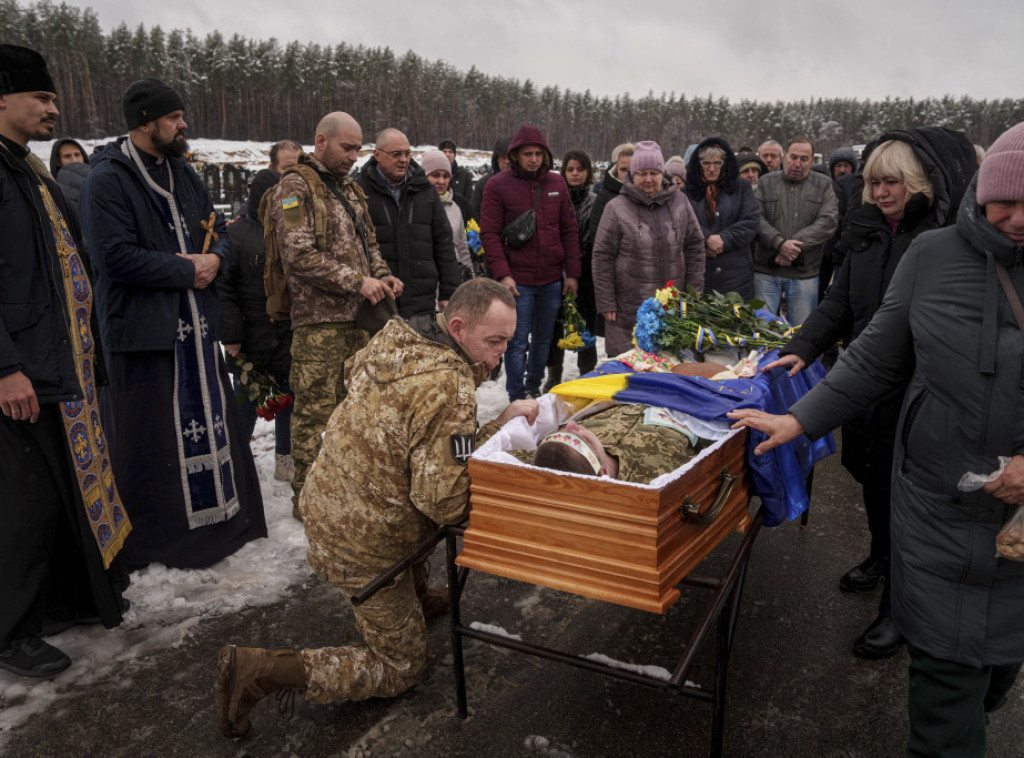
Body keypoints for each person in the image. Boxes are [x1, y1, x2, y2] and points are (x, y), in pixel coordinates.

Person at [729, 120, 1024, 757]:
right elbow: (867, 348)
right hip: (938, 489)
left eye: (894, 182)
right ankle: (901, 603)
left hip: (1014, 518)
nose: (1019, 217)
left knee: (995, 665)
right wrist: (801, 410)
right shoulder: (926, 252)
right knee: (947, 691)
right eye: (1007, 199)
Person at [215, 278, 539, 738]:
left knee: (415, 493)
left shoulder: (401, 337)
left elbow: (420, 449)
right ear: (460, 326)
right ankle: (262, 670)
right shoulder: (447, 383)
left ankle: (415, 591)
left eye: (507, 341)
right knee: (402, 666)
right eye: (494, 341)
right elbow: (444, 501)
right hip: (364, 543)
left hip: (330, 505)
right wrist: (508, 464)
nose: (499, 355)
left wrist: (495, 425)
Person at [763, 128, 977, 660]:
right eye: (874, 182)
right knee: (873, 482)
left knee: (908, 498)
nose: (881, 192)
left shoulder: (941, 240)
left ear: (920, 182)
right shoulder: (863, 230)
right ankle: (881, 556)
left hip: (917, 389)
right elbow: (839, 303)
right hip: (867, 379)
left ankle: (899, 609)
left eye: (893, 182)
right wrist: (803, 347)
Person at [80, 78, 266, 569]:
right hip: (147, 337)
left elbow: (218, 231)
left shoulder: (183, 172)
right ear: (146, 121)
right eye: (174, 117)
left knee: (214, 425)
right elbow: (113, 257)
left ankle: (227, 525)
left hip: (198, 332)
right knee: (155, 442)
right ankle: (165, 545)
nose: (184, 125)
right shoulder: (107, 179)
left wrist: (214, 262)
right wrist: (189, 269)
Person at [0, 44, 130, 678]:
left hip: (54, 365)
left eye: (54, 97)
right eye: (42, 98)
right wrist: (4, 367)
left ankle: (62, 602)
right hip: (18, 372)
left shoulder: (24, 166)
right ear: (2, 99)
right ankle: (10, 633)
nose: (55, 108)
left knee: (58, 494)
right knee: (21, 504)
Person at [269, 111, 402, 518]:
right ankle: (308, 503)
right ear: (321, 141)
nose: (354, 156)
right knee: (314, 416)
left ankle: (344, 490)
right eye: (347, 147)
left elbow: (369, 245)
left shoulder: (350, 190)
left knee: (353, 412)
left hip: (360, 322)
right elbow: (299, 254)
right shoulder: (294, 189)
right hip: (320, 326)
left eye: (358, 148)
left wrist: (382, 274)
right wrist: (357, 281)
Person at [480, 124, 581, 401]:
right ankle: (516, 395)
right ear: (515, 155)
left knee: (544, 339)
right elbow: (488, 233)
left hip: (550, 279)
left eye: (538, 153)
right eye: (527, 154)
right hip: (517, 280)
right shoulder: (498, 185)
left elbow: (569, 229)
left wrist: (572, 273)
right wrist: (503, 275)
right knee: (515, 340)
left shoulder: (557, 183)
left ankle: (533, 389)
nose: (533, 159)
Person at [592, 140, 706, 357]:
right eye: (641, 173)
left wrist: (693, 294)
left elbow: (695, 247)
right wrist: (606, 301)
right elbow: (602, 257)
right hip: (628, 313)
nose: (648, 179)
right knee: (633, 375)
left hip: (672, 307)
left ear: (662, 174)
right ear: (632, 175)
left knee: (671, 371)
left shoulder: (680, 202)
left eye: (654, 172)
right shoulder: (616, 208)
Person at [219, 169, 295, 482]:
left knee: (288, 395)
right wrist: (232, 336)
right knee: (248, 399)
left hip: (285, 331)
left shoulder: (291, 229)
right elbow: (224, 290)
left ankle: (285, 456)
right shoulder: (237, 235)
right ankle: (235, 458)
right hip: (250, 334)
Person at [357, 128, 461, 317]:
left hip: (421, 301)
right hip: (378, 302)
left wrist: (448, 291)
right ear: (377, 155)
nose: (403, 159)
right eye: (396, 154)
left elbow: (444, 243)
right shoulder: (359, 192)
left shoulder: (425, 191)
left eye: (407, 153)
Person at [753, 136, 838, 325]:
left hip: (804, 274)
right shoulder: (766, 183)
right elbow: (755, 218)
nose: (797, 164)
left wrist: (792, 247)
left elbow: (828, 221)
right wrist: (779, 243)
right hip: (766, 272)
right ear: (784, 158)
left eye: (804, 159)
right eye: (793, 157)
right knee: (760, 334)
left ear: (811, 161)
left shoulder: (823, 185)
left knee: (801, 333)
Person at [532, 404, 702, 483]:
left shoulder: (549, 457)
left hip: (634, 391)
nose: (571, 424)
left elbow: (508, 457)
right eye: (581, 437)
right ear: (604, 471)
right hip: (692, 405)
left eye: (562, 431)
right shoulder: (658, 473)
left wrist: (505, 417)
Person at [544, 149, 598, 391]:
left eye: (580, 169)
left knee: (583, 325)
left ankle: (587, 376)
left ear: (588, 173)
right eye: (570, 169)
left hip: (586, 275)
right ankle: (553, 376)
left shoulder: (595, 203)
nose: (575, 174)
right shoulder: (553, 198)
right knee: (555, 327)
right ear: (563, 172)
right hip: (556, 271)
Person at [684, 137, 761, 299]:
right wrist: (706, 239)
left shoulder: (741, 187)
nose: (711, 168)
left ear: (725, 164)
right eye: (706, 163)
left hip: (736, 275)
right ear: (698, 165)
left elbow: (751, 221)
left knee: (734, 321)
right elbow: (683, 224)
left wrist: (724, 239)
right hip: (700, 272)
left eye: (717, 163)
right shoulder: (687, 192)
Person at [421, 149, 474, 280]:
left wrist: (471, 280)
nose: (441, 181)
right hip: (425, 283)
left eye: (446, 176)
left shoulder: (455, 208)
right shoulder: (414, 207)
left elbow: (462, 248)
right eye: (435, 175)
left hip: (451, 280)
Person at [48, 137, 91, 232]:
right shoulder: (52, 191)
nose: (74, 159)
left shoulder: (98, 181)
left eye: (77, 154)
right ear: (58, 161)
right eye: (67, 156)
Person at [469, 136, 511, 223]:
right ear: (496, 160)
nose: (507, 161)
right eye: (503, 157)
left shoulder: (523, 183)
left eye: (510, 157)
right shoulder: (483, 183)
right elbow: (474, 214)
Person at [438, 138, 474, 205]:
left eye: (450, 152)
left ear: (454, 155)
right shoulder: (432, 175)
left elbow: (469, 200)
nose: (447, 155)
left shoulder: (464, 175)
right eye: (444, 151)